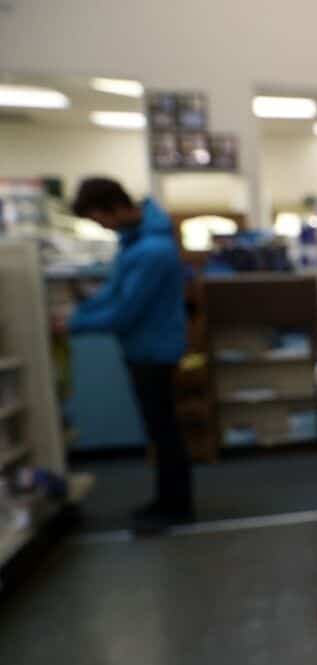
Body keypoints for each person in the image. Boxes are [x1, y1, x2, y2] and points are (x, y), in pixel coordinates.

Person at [69, 177, 193, 533]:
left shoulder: (151, 251)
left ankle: (175, 506)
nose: (102, 227)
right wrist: (81, 312)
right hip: (144, 347)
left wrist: (75, 323)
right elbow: (113, 295)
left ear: (114, 208)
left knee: (164, 430)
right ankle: (167, 500)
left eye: (99, 219)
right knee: (159, 428)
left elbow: (125, 312)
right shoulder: (136, 243)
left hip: (154, 350)